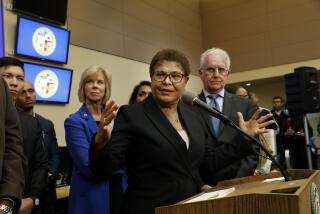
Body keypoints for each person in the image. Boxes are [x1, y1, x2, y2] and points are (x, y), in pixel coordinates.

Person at [89, 49, 273, 214]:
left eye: (175, 76)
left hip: (189, 206)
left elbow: (207, 162)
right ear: (151, 77)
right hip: (149, 208)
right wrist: (100, 141)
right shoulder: (132, 114)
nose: (167, 82)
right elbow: (104, 170)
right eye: (160, 74)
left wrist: (244, 139)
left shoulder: (193, 116)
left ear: (185, 80)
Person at [64, 66, 127, 214]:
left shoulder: (117, 119)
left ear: (106, 88)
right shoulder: (74, 122)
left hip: (119, 191)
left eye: (100, 82)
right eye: (89, 81)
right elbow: (87, 166)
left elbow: (128, 159)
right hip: (92, 197)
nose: (95, 86)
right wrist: (117, 165)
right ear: (83, 87)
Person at [196, 48, 259, 185]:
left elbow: (253, 151)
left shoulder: (245, 105)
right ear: (200, 73)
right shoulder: (189, 106)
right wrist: (200, 184)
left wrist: (239, 180)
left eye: (221, 70)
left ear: (227, 73)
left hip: (239, 182)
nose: (216, 74)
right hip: (205, 186)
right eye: (210, 69)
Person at [0, 57, 48, 214]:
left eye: (20, 78)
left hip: (18, 201)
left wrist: (32, 198)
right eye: (7, 76)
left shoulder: (32, 123)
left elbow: (40, 164)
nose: (14, 83)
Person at [16, 81, 60, 214]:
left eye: (31, 91)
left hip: (46, 193)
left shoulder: (46, 124)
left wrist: (45, 176)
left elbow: (55, 156)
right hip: (21, 192)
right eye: (22, 92)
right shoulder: (11, 123)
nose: (28, 96)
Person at [0, 78, 25, 214]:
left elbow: (12, 147)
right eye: (8, 75)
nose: (14, 82)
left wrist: (7, 203)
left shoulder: (1, 85)